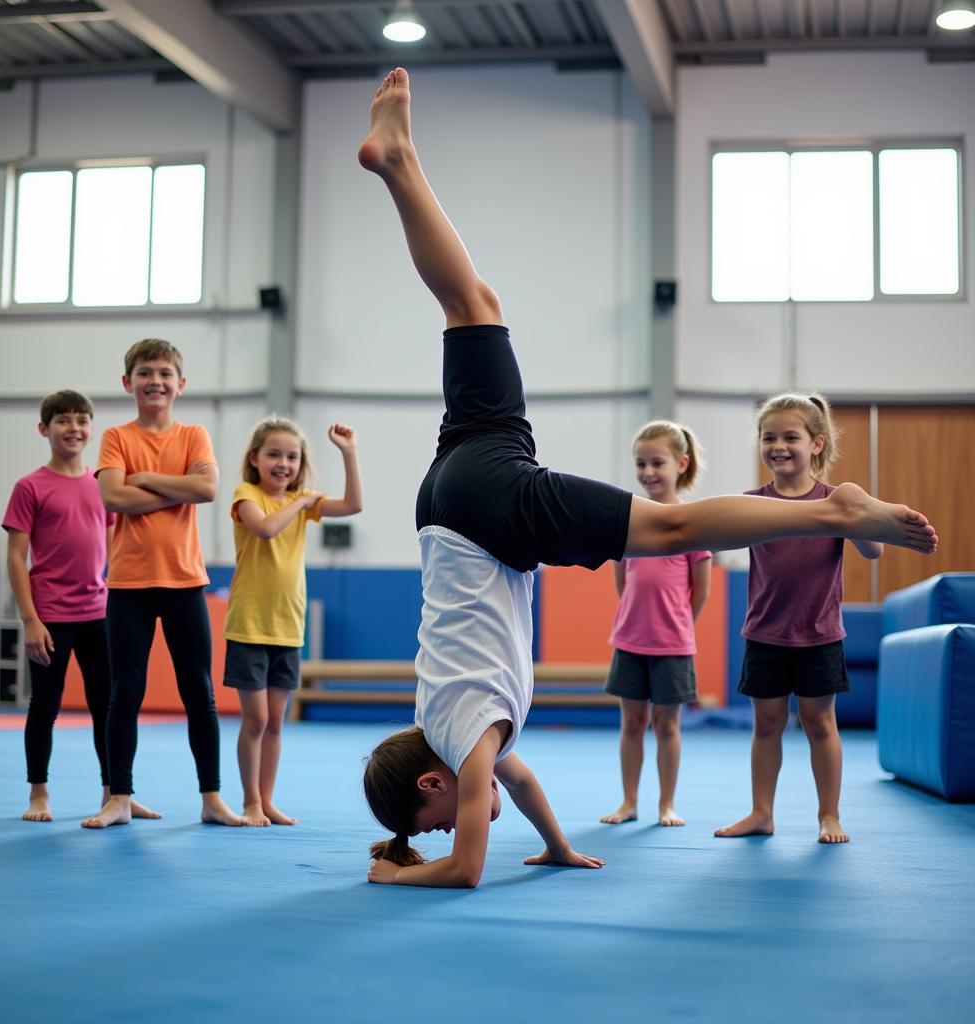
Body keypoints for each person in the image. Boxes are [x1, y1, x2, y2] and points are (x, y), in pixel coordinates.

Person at [358, 68, 936, 888]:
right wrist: (556, 846)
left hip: (486, 514)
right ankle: (399, 161)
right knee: (473, 305)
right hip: (451, 495)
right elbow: (519, 784)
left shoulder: (469, 746)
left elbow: (464, 872)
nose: (456, 822)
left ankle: (831, 509)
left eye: (441, 816)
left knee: (672, 527)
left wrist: (397, 873)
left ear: (431, 782)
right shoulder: (457, 734)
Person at [82, 339, 245, 828]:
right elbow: (112, 497)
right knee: (124, 692)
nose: (156, 380)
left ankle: (212, 798)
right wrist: (176, 489)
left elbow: (208, 489)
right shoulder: (116, 436)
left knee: (199, 692)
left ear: (180, 384)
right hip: (129, 581)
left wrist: (145, 478)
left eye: (165, 373)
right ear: (127, 382)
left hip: (184, 579)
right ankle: (119, 796)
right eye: (146, 372)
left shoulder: (194, 434)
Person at [714, 393, 875, 845]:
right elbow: (717, 534)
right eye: (769, 437)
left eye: (791, 436)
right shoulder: (753, 502)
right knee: (766, 724)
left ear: (817, 444)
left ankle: (830, 815)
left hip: (819, 632)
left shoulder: (834, 502)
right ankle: (761, 812)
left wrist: (860, 512)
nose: (778, 445)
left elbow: (875, 549)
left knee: (820, 723)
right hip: (765, 631)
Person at [3, 390, 158, 824]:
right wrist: (30, 620)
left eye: (81, 421)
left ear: (91, 429)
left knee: (108, 706)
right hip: (50, 614)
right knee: (45, 705)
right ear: (44, 428)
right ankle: (39, 792)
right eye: (63, 421)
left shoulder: (101, 484)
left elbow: (115, 545)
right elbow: (16, 557)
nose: (73, 429)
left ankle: (116, 794)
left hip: (100, 613)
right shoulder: (30, 487)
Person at [224, 416, 363, 826]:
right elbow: (265, 530)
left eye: (292, 456)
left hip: (287, 626)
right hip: (249, 624)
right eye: (274, 454)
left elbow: (353, 505)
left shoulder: (301, 502)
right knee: (257, 720)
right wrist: (300, 503)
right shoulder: (246, 494)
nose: (283, 463)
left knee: (277, 723)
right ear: (255, 458)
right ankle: (250, 801)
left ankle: (267, 801)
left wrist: (349, 454)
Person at [599, 421, 710, 829]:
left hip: (673, 645)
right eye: (641, 463)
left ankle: (667, 803)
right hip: (630, 640)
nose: (648, 471)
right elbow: (622, 582)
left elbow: (701, 592)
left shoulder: (692, 523)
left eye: (657, 462)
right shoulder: (629, 521)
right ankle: (629, 801)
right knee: (632, 723)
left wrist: (678, 626)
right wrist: (638, 622)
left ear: (680, 464)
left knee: (667, 724)